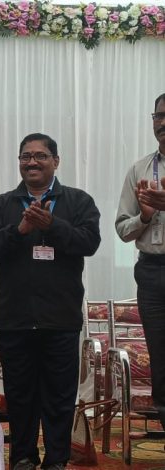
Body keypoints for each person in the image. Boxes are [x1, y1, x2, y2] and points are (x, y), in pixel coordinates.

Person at [0, 133, 101, 470]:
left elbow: (89, 242)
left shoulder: (78, 201)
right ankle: (23, 458)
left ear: (55, 161)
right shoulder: (3, 204)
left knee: (59, 398)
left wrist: (52, 225)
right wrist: (18, 230)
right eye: (25, 156)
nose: (32, 162)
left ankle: (56, 460)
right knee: (20, 396)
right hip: (14, 319)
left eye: (40, 156)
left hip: (60, 319)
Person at [116, 92, 165, 438]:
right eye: (159, 116)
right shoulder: (140, 169)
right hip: (151, 272)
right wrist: (145, 217)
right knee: (160, 357)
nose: (163, 123)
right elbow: (122, 229)